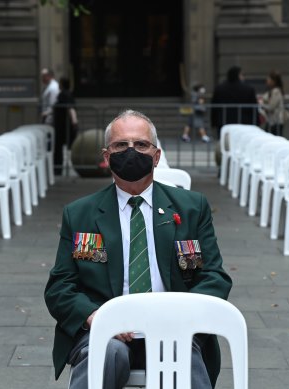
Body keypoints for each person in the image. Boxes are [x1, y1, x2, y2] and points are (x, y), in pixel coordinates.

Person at [44, 110, 233, 389]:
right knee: (107, 353)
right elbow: (60, 286)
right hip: (107, 332)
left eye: (141, 145)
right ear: (107, 157)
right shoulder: (81, 214)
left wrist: (183, 319)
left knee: (179, 353)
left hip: (175, 329)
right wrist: (98, 318)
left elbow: (214, 277)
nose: (131, 151)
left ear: (156, 156)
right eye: (121, 145)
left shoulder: (191, 208)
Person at [210, 66, 258, 140]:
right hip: (243, 122)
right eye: (242, 75)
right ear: (238, 75)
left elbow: (214, 106)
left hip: (224, 122)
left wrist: (214, 122)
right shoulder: (248, 89)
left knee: (225, 145)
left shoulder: (219, 88)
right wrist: (256, 122)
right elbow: (254, 107)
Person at [53, 77, 79, 175]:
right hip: (63, 125)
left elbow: (70, 108)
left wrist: (74, 121)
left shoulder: (64, 94)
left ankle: (58, 169)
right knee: (62, 147)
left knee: (59, 147)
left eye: (60, 83)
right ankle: (59, 168)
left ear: (62, 84)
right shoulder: (67, 94)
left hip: (63, 126)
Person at [258, 70, 288, 137]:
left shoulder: (276, 92)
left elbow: (271, 106)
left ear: (273, 81)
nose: (267, 80)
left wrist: (261, 104)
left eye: (269, 79)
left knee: (274, 139)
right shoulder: (271, 91)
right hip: (272, 121)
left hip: (275, 121)